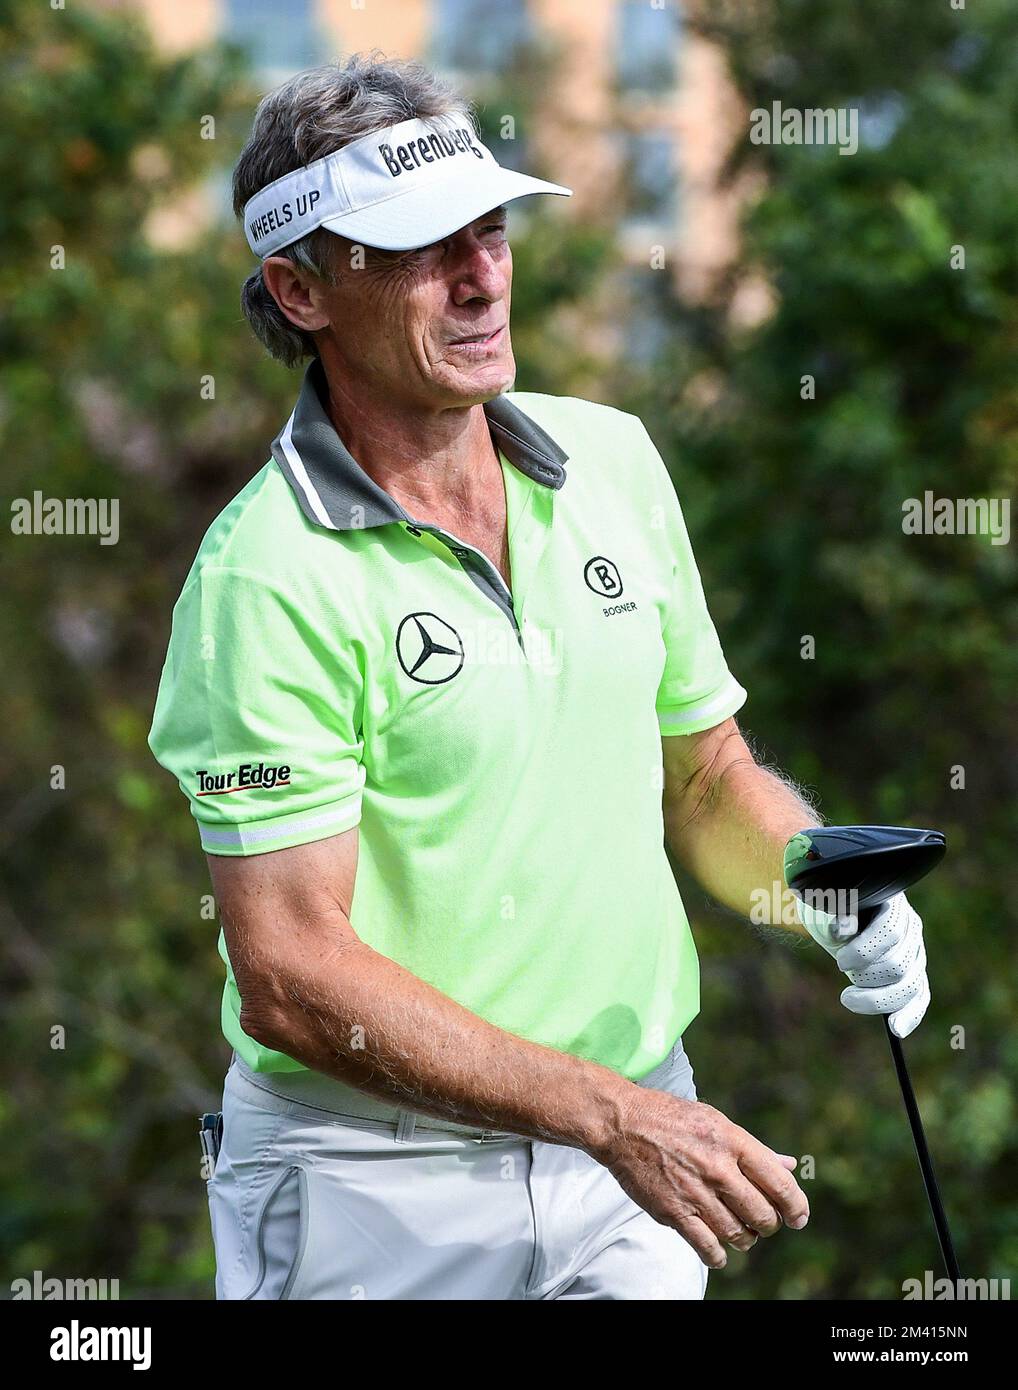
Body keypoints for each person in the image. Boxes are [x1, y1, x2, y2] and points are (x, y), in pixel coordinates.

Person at [148, 52, 930, 1301]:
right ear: (301, 291)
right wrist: (602, 1114)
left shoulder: (613, 458)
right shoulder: (263, 579)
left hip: (629, 1158)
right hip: (373, 1186)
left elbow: (702, 776)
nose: (480, 277)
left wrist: (812, 884)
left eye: (492, 229)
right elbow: (292, 974)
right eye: (418, 249)